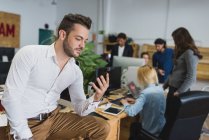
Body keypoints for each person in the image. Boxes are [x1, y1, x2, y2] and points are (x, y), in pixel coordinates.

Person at [2, 13, 110, 140]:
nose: (83, 46)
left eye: (85, 41)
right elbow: (10, 98)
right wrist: (25, 136)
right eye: (78, 39)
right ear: (63, 34)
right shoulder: (30, 54)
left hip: (55, 119)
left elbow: (80, 108)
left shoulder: (75, 71)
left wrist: (96, 98)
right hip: (28, 123)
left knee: (102, 127)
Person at [162, 27, 203, 138]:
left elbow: (191, 77)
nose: (174, 41)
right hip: (172, 89)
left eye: (175, 39)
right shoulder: (181, 51)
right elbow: (173, 73)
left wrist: (179, 92)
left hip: (178, 92)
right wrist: (164, 86)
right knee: (168, 117)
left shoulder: (190, 53)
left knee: (173, 119)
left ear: (182, 39)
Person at [120, 65, 166, 139]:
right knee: (135, 125)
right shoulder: (160, 89)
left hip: (150, 131)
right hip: (161, 129)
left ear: (142, 78)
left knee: (133, 126)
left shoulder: (145, 93)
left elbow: (131, 112)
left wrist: (124, 102)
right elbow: (151, 102)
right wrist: (136, 101)